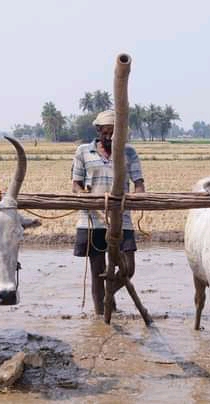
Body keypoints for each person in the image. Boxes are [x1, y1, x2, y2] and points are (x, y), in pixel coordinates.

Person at [71, 109, 145, 315]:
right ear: (98, 131)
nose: (110, 137)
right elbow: (75, 185)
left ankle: (107, 296)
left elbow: (139, 184)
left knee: (128, 268)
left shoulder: (129, 152)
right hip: (92, 220)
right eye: (106, 132)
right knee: (97, 271)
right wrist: (85, 197)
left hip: (122, 219)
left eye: (115, 132)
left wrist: (137, 198)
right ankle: (100, 314)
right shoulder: (84, 151)